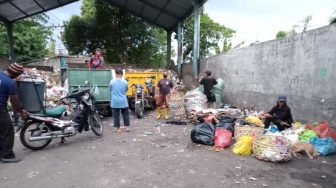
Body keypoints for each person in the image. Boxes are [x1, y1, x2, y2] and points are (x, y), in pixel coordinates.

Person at [0, 63, 28, 163]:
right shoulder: (10, 82)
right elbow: (14, 101)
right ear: (15, 74)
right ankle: (7, 156)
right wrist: (21, 112)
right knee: (8, 131)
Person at [109, 68, 130, 132]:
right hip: (123, 101)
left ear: (115, 74)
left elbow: (110, 89)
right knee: (125, 114)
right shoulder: (125, 82)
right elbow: (126, 90)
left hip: (115, 101)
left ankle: (118, 129)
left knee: (116, 115)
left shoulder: (111, 81)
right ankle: (127, 127)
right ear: (122, 74)